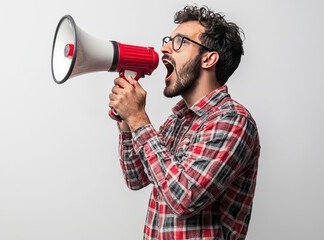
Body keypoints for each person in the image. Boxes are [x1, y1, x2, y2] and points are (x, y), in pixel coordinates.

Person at [108, 5, 260, 240]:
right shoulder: (178, 120)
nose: (165, 48)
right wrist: (126, 122)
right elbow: (136, 178)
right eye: (169, 40)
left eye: (179, 42)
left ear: (208, 58)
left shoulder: (233, 121)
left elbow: (185, 198)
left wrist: (139, 119)